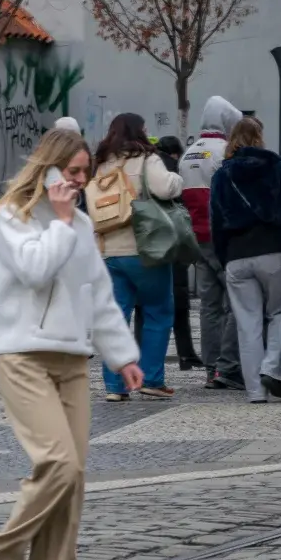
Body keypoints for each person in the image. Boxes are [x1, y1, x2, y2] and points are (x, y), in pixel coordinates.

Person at [0, 127, 142, 560]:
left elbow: (97, 294)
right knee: (58, 463)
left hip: (72, 361)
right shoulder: (13, 215)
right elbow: (33, 271)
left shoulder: (79, 222)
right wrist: (62, 221)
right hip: (23, 355)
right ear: (48, 171)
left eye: (84, 172)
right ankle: (1, 551)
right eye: (71, 172)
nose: (79, 180)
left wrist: (122, 356)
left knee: (73, 483)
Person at [84, 113, 183, 403]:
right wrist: (177, 177)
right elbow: (166, 187)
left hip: (108, 251)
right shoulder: (145, 158)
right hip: (143, 248)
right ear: (139, 131)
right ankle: (152, 379)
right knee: (158, 311)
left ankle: (115, 386)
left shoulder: (101, 162)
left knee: (116, 317)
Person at [210, 117, 281, 404]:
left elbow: (216, 222)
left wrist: (224, 257)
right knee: (278, 313)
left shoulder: (221, 175)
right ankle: (270, 368)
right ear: (259, 137)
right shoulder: (276, 166)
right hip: (273, 252)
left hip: (237, 256)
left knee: (247, 325)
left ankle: (255, 392)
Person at [179, 96, 241, 391]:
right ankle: (228, 366)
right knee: (234, 304)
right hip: (223, 238)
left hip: (197, 238)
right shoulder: (225, 153)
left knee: (208, 306)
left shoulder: (189, 153)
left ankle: (211, 367)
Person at [153, 134, 202, 372]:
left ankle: (152, 356)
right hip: (174, 239)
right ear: (175, 153)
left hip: (154, 241)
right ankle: (186, 354)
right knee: (178, 299)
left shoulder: (148, 164)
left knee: (153, 304)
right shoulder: (174, 168)